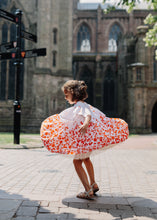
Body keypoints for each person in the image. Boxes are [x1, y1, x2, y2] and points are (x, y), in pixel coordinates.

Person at [40, 80, 129, 200]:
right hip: (85, 141)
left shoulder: (80, 106)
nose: (66, 98)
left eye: (67, 95)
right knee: (86, 159)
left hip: (83, 141)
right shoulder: (85, 105)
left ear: (73, 93)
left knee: (76, 162)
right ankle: (93, 184)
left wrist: (86, 124)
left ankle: (88, 190)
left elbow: (87, 115)